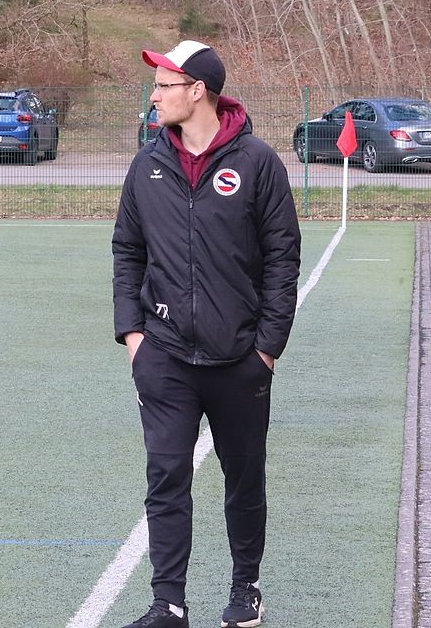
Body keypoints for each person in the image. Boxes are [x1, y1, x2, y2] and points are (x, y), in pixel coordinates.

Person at [112, 40, 301, 628]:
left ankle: (246, 586)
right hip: (164, 356)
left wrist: (266, 347)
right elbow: (127, 251)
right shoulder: (147, 165)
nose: (155, 93)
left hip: (240, 358)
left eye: (164, 83)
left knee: (244, 479)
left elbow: (282, 256)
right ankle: (167, 602)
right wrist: (132, 336)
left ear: (198, 91)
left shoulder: (258, 162)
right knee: (165, 477)